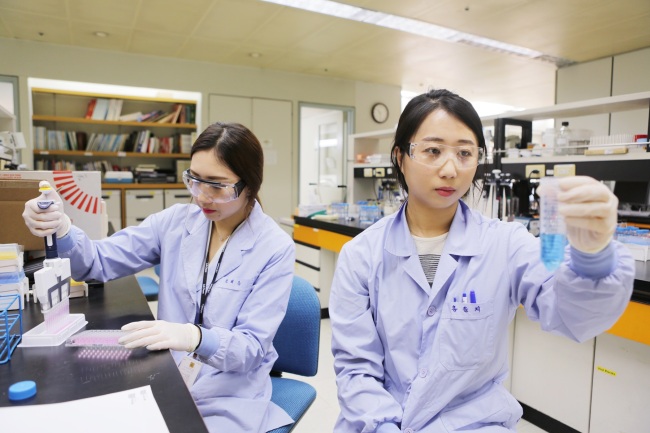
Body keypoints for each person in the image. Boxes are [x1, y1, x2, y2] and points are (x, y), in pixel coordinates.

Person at [329, 89, 635, 433]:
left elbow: (571, 314)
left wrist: (592, 257)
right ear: (401, 157)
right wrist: (384, 427)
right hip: (378, 423)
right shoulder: (361, 255)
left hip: (472, 424)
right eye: (432, 151)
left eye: (464, 153)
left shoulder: (505, 244)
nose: (450, 169)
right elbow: (356, 369)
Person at [23, 122, 295, 433]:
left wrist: (196, 337)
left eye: (217, 186)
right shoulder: (174, 222)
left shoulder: (275, 248)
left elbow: (251, 349)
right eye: (194, 180)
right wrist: (62, 228)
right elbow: (98, 262)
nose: (201, 197)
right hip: (167, 372)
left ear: (250, 184)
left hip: (230, 390)